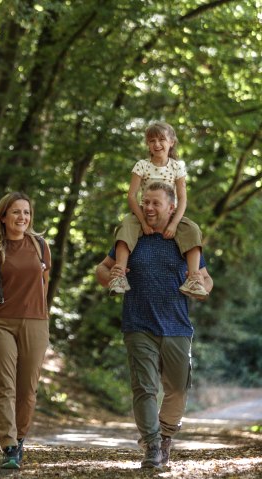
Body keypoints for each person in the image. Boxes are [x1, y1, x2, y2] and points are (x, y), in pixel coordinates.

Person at [96, 182, 213, 469]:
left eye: (155, 203)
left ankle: (165, 436)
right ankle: (151, 444)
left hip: (177, 325)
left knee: (178, 389)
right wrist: (111, 275)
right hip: (138, 323)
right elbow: (101, 269)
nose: (148, 208)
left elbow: (206, 280)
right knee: (144, 388)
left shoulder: (183, 240)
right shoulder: (132, 237)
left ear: (171, 207)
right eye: (145, 202)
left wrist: (201, 287)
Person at [0, 192, 51, 470]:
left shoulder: (40, 246)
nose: (22, 217)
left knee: (28, 389)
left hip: (35, 322)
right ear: (3, 217)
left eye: (26, 212)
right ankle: (9, 446)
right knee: (4, 385)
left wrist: (39, 314)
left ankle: (21, 436)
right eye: (16, 212)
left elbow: (44, 284)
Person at [109, 121, 208, 300]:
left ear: (172, 142)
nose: (157, 144)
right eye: (152, 140)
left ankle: (194, 278)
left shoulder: (177, 167)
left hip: (169, 214)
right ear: (148, 144)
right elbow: (131, 196)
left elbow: (182, 198)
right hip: (144, 212)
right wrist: (142, 221)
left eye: (162, 139)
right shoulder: (142, 165)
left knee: (192, 229)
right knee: (125, 225)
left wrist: (175, 223)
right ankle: (119, 274)